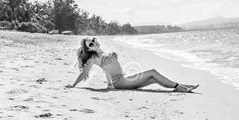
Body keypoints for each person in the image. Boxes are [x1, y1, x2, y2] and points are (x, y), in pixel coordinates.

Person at [67, 37, 199, 92]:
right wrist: (73, 85)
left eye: (94, 40)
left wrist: (108, 85)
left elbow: (106, 70)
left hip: (123, 79)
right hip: (121, 82)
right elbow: (84, 73)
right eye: (91, 44)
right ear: (89, 49)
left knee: (153, 79)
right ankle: (179, 86)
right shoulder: (93, 59)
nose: (94, 42)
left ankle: (181, 86)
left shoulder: (106, 53)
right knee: (152, 72)